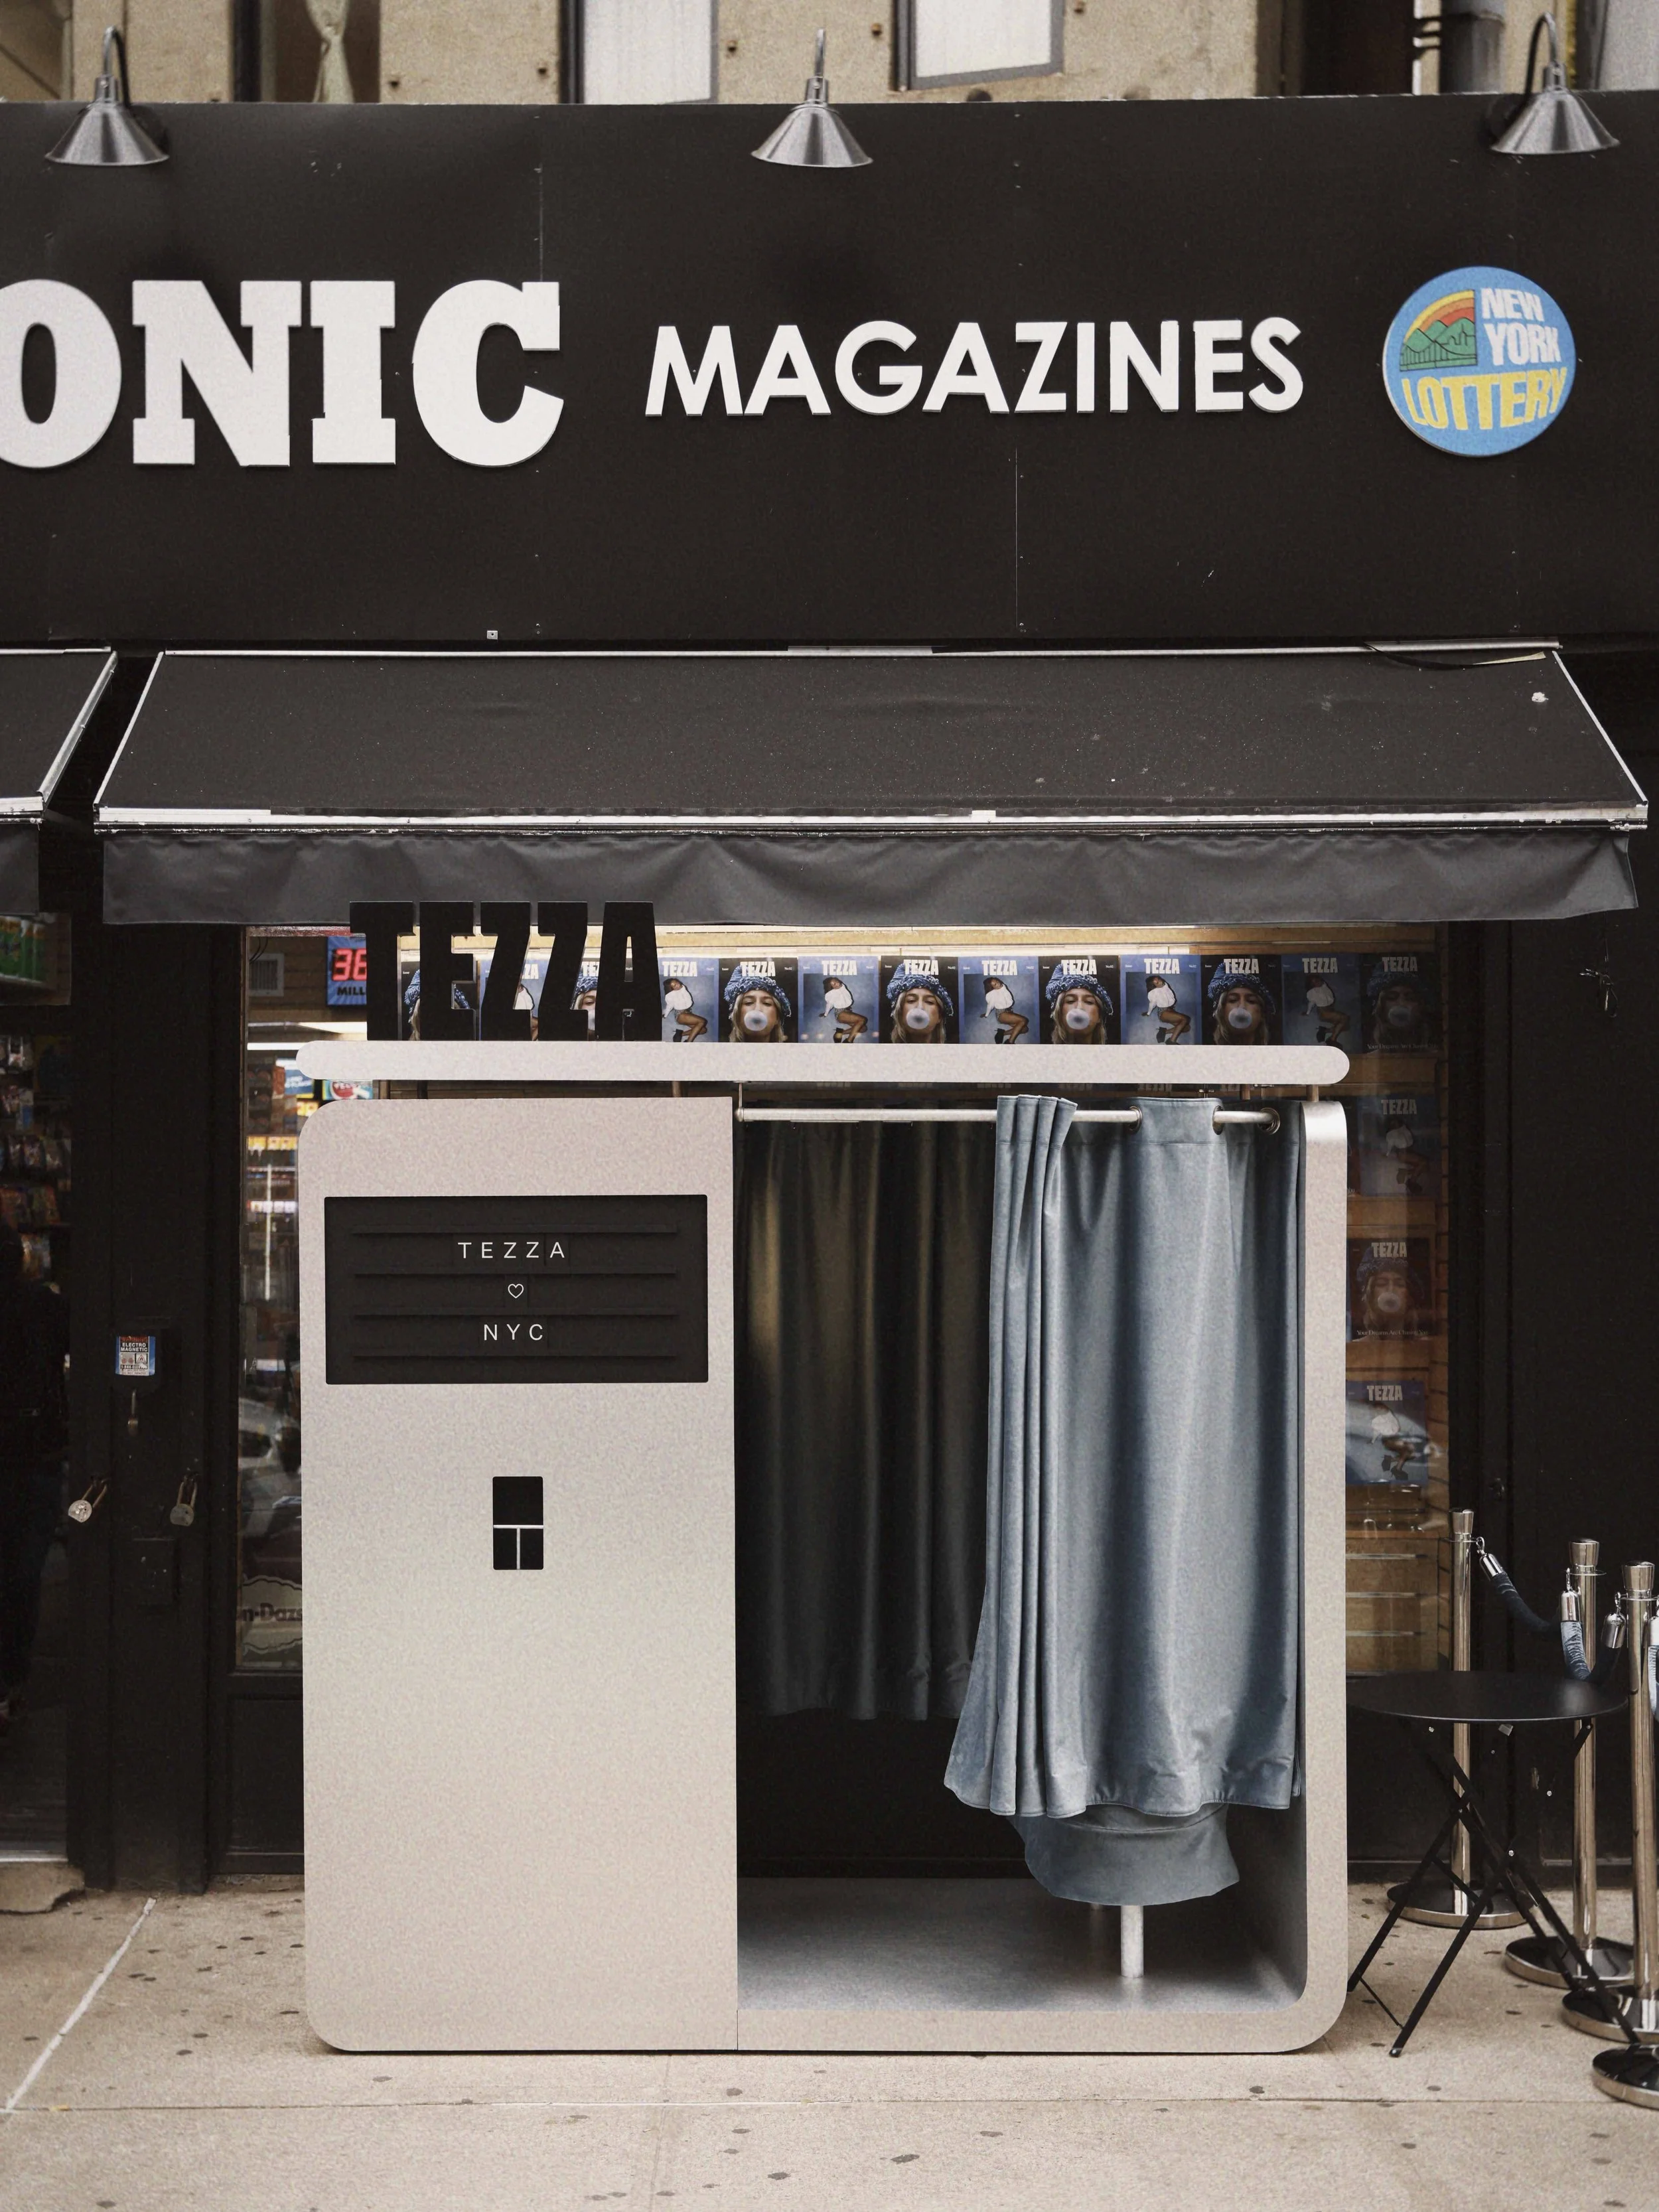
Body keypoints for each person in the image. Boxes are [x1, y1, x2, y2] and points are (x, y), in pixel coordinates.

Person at [0, 1224, 69, 1733]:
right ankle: (12, 1682)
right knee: (23, 1576)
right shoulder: (41, 1305)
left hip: (30, 1458)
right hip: (34, 1459)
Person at [1143, 971, 1189, 1044]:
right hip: (1163, 1013)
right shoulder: (1154, 993)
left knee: (1186, 1028)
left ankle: (1164, 1031)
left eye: (1159, 979)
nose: (1160, 982)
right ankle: (1171, 1041)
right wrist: (1148, 1013)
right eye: (1157, 983)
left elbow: (1169, 995)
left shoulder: (1165, 985)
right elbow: (1152, 1004)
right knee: (1185, 1019)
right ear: (1154, 986)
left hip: (1171, 1011)